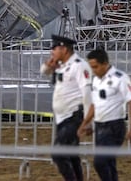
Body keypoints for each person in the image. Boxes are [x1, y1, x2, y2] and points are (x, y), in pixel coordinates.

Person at [77, 48, 131, 181]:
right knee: (109, 162)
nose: (93, 70)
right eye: (91, 67)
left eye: (96, 67)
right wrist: (85, 123)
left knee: (100, 162)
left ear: (105, 63)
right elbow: (94, 104)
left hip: (114, 126)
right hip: (100, 126)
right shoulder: (96, 80)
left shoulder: (120, 78)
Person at [40, 35, 92, 181]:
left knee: (58, 154)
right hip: (62, 118)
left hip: (74, 117)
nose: (52, 52)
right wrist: (49, 64)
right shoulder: (61, 66)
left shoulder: (79, 65)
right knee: (72, 155)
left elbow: (87, 92)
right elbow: (44, 72)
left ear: (64, 49)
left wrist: (87, 121)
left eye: (54, 49)